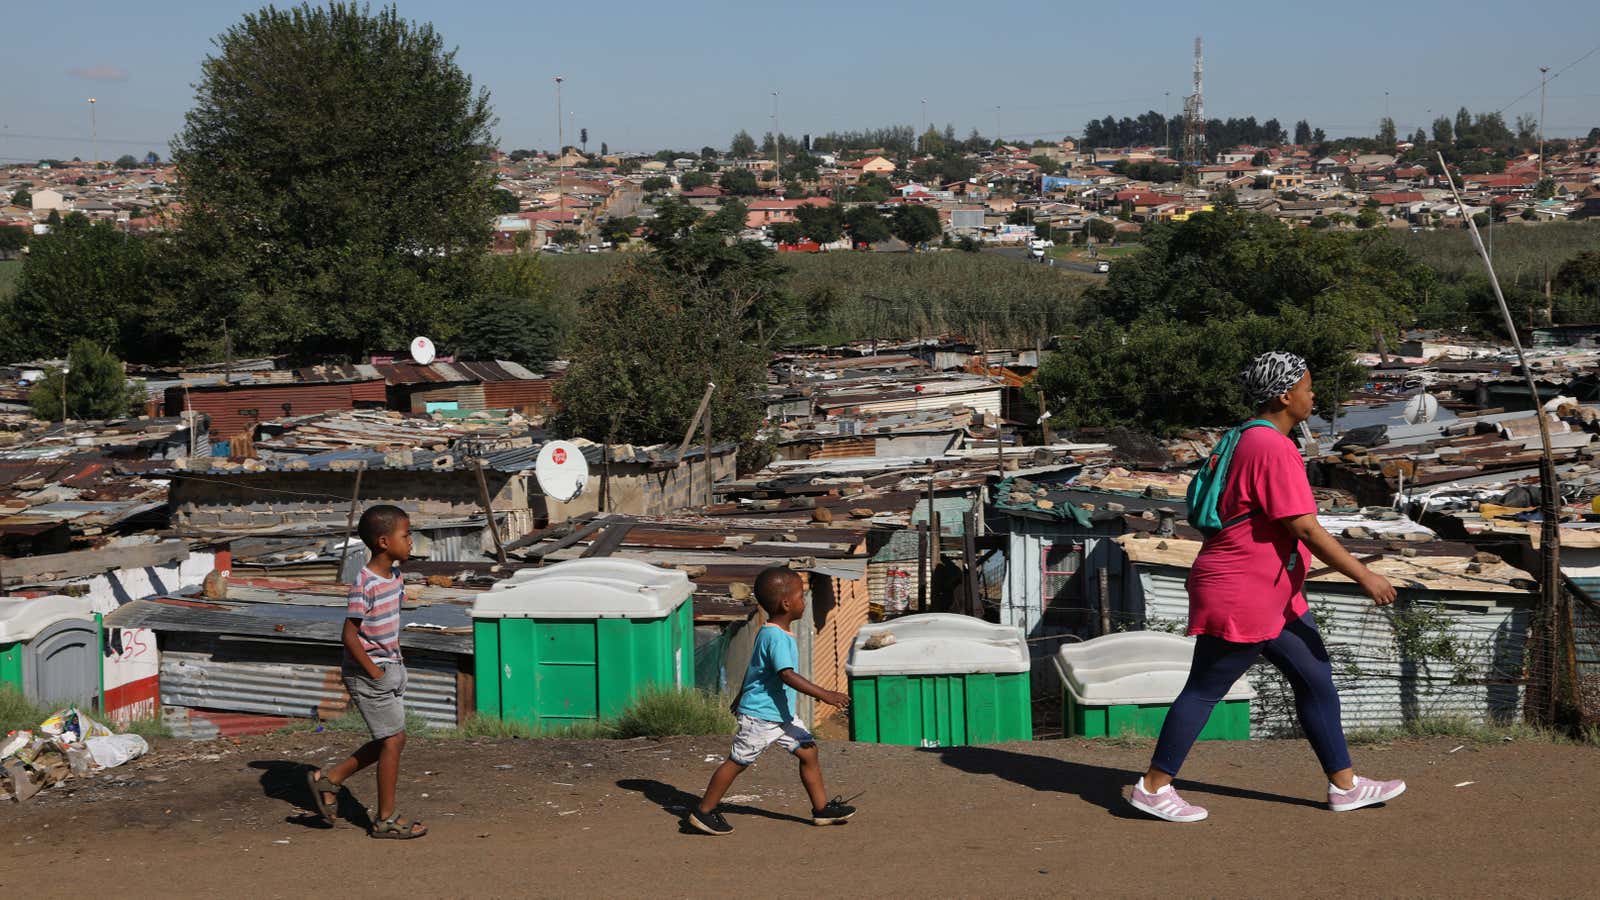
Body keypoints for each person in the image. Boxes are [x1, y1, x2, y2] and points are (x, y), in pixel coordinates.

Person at [1129, 351, 1407, 823]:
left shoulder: (1241, 437)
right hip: (1245, 590)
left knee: (1315, 677)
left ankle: (1346, 785)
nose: (1312, 394)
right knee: (1204, 689)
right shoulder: (1274, 448)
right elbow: (1305, 528)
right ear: (1285, 394)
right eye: (1308, 386)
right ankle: (1154, 787)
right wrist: (1364, 574)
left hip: (1271, 590)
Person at [687, 567, 857, 835]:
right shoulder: (776, 637)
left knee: (808, 751)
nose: (805, 600)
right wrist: (826, 694)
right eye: (802, 595)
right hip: (762, 716)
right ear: (787, 603)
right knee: (738, 761)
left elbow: (754, 668)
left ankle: (822, 809)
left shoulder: (770, 632)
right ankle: (703, 812)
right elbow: (786, 675)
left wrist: (740, 695)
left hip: (781, 714)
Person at [305, 504, 427, 839]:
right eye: (407, 535)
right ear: (385, 541)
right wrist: (374, 671)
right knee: (392, 740)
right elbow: (349, 634)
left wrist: (393, 666)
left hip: (390, 667)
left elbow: (387, 625)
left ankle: (329, 780)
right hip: (367, 671)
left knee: (391, 741)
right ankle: (384, 819)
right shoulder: (365, 582)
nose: (412, 541)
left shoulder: (396, 577)